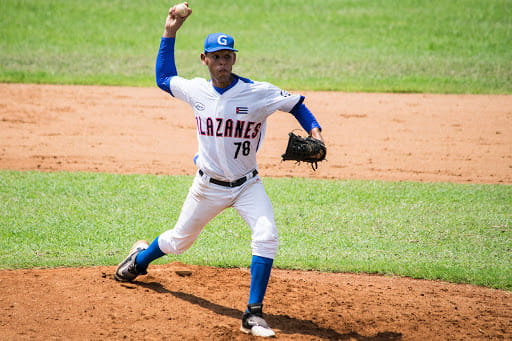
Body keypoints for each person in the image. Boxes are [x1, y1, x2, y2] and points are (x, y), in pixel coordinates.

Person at [115, 3, 324, 337]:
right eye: (216, 57)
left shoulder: (257, 93)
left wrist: (316, 133)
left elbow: (296, 105)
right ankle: (140, 259)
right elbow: (164, 78)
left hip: (247, 186)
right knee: (178, 242)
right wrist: (170, 31)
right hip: (207, 186)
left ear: (234, 59)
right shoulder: (197, 89)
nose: (222, 62)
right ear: (204, 59)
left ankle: (253, 314)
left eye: (228, 56)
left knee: (267, 235)